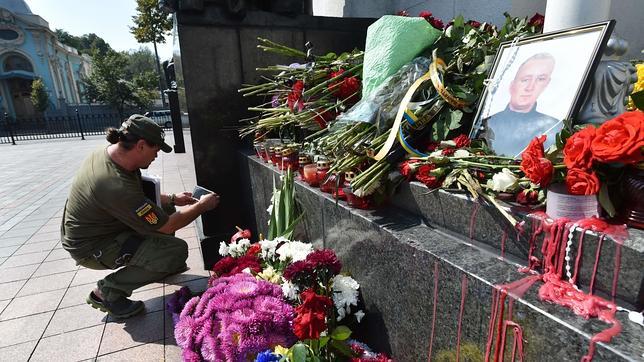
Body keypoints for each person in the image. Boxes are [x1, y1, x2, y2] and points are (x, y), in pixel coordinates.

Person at [61, 114, 220, 319]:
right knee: (176, 251)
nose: (156, 156)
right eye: (156, 150)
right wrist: (202, 206)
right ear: (141, 145)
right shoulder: (114, 184)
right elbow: (166, 225)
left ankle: (158, 262)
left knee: (168, 210)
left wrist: (172, 199)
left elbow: (138, 197)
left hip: (102, 228)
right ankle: (107, 292)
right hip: (93, 248)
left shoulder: (111, 156)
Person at [480, 53, 562, 157]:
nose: (530, 87)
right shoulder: (487, 124)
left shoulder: (554, 127)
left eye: (540, 79)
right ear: (512, 85)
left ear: (546, 84)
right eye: (525, 80)